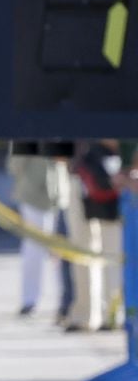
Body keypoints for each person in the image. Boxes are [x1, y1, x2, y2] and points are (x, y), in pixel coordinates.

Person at [66, 141, 124, 332]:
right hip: (79, 177)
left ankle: (113, 314)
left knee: (112, 252)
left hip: (111, 176)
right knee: (81, 252)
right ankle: (84, 314)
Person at [10, 152, 69, 318]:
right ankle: (29, 300)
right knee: (34, 249)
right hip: (33, 196)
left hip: (59, 194)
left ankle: (64, 301)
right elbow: (15, 164)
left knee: (61, 251)